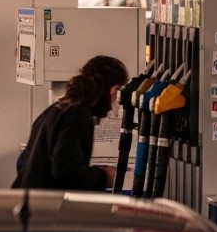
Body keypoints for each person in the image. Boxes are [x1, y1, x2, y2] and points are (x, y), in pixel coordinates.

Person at [12, 54, 129, 191]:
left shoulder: (59, 107)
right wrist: (104, 176)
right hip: (43, 206)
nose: (114, 103)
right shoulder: (77, 115)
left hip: (30, 200)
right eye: (116, 96)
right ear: (113, 90)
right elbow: (66, 171)